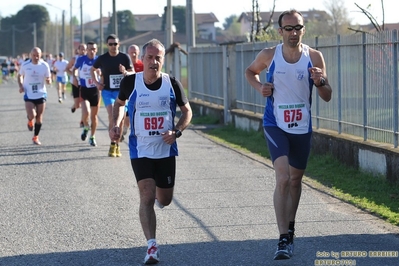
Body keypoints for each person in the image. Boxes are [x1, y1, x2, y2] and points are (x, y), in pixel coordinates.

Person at [244, 10, 332, 260]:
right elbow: (250, 72)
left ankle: (290, 227)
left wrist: (321, 81)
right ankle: (283, 238)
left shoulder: (314, 56)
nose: (294, 33)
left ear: (303, 30)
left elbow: (327, 95)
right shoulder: (269, 55)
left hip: (302, 127)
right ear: (280, 31)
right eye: (289, 28)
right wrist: (260, 86)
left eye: (298, 28)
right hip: (276, 124)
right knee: (282, 178)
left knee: (295, 181)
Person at [109, 39, 192, 264]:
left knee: (164, 200)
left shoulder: (172, 84)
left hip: (165, 149)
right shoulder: (130, 82)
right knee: (146, 196)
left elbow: (187, 112)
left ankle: (159, 196)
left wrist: (176, 131)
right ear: (142, 59)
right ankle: (151, 246)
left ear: (162, 60)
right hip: (141, 149)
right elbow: (119, 105)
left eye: (158, 58)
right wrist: (115, 124)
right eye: (150, 57)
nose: (153, 62)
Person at [91, 34, 133, 157]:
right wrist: (97, 83)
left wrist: (125, 71)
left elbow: (132, 72)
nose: (113, 46)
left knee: (120, 118)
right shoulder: (102, 58)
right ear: (107, 45)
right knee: (112, 115)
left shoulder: (125, 57)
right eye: (111, 44)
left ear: (119, 44)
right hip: (108, 91)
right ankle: (112, 143)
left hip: (122, 92)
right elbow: (92, 70)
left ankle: (117, 144)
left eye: (115, 44)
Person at [18, 47, 52, 145]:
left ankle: (35, 137)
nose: (36, 57)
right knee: (32, 115)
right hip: (29, 93)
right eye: (34, 55)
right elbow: (20, 75)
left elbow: (48, 77)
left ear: (40, 55)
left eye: (38, 55)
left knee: (39, 117)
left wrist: (49, 80)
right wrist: (21, 86)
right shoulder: (25, 65)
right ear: (30, 55)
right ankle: (29, 120)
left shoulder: (44, 65)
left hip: (41, 93)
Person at [73, 41, 100, 146]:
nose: (92, 51)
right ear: (87, 50)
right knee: (86, 113)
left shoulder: (98, 60)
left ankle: (92, 137)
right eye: (90, 49)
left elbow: (102, 73)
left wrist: (100, 74)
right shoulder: (81, 59)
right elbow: (74, 69)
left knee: (94, 116)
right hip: (84, 89)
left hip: (95, 91)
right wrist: (75, 77)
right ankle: (85, 127)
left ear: (96, 50)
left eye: (94, 49)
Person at [119, 44, 144, 141]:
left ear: (138, 53)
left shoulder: (142, 65)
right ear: (128, 53)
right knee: (124, 114)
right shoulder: (122, 65)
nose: (133, 54)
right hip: (126, 94)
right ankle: (123, 130)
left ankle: (125, 130)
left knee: (130, 119)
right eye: (131, 52)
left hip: (139, 95)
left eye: (135, 52)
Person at [67, 44, 87, 127]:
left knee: (84, 104)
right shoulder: (74, 59)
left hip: (84, 84)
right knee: (78, 105)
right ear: (78, 50)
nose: (83, 51)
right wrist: (73, 76)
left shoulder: (88, 59)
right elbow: (67, 68)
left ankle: (82, 120)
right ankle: (74, 106)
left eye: (84, 49)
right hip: (75, 83)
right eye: (81, 49)